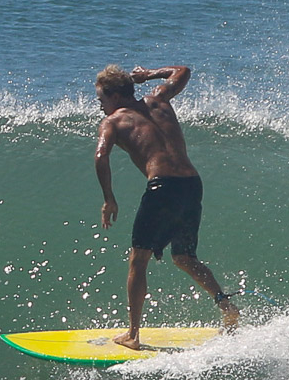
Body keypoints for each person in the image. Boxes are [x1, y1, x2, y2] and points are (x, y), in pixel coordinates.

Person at [94, 64, 241, 351]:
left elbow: (101, 156)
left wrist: (109, 198)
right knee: (184, 257)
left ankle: (133, 334)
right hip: (191, 184)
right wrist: (149, 74)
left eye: (101, 98)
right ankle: (227, 307)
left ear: (113, 96)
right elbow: (182, 71)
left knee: (138, 260)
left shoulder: (113, 121)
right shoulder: (158, 100)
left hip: (162, 187)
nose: (100, 105)